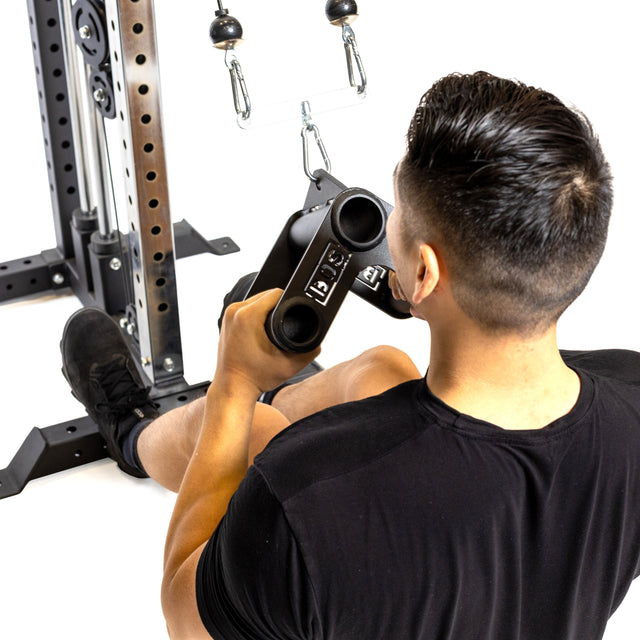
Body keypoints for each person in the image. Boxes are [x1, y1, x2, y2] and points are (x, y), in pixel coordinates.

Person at [60, 71, 640, 639]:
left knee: (255, 426)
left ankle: (134, 433)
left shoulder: (303, 499)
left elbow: (183, 620)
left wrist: (234, 384)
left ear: (424, 271)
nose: (390, 231)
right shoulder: (632, 394)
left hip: (325, 500)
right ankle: (279, 390)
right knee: (380, 369)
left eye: (399, 219)